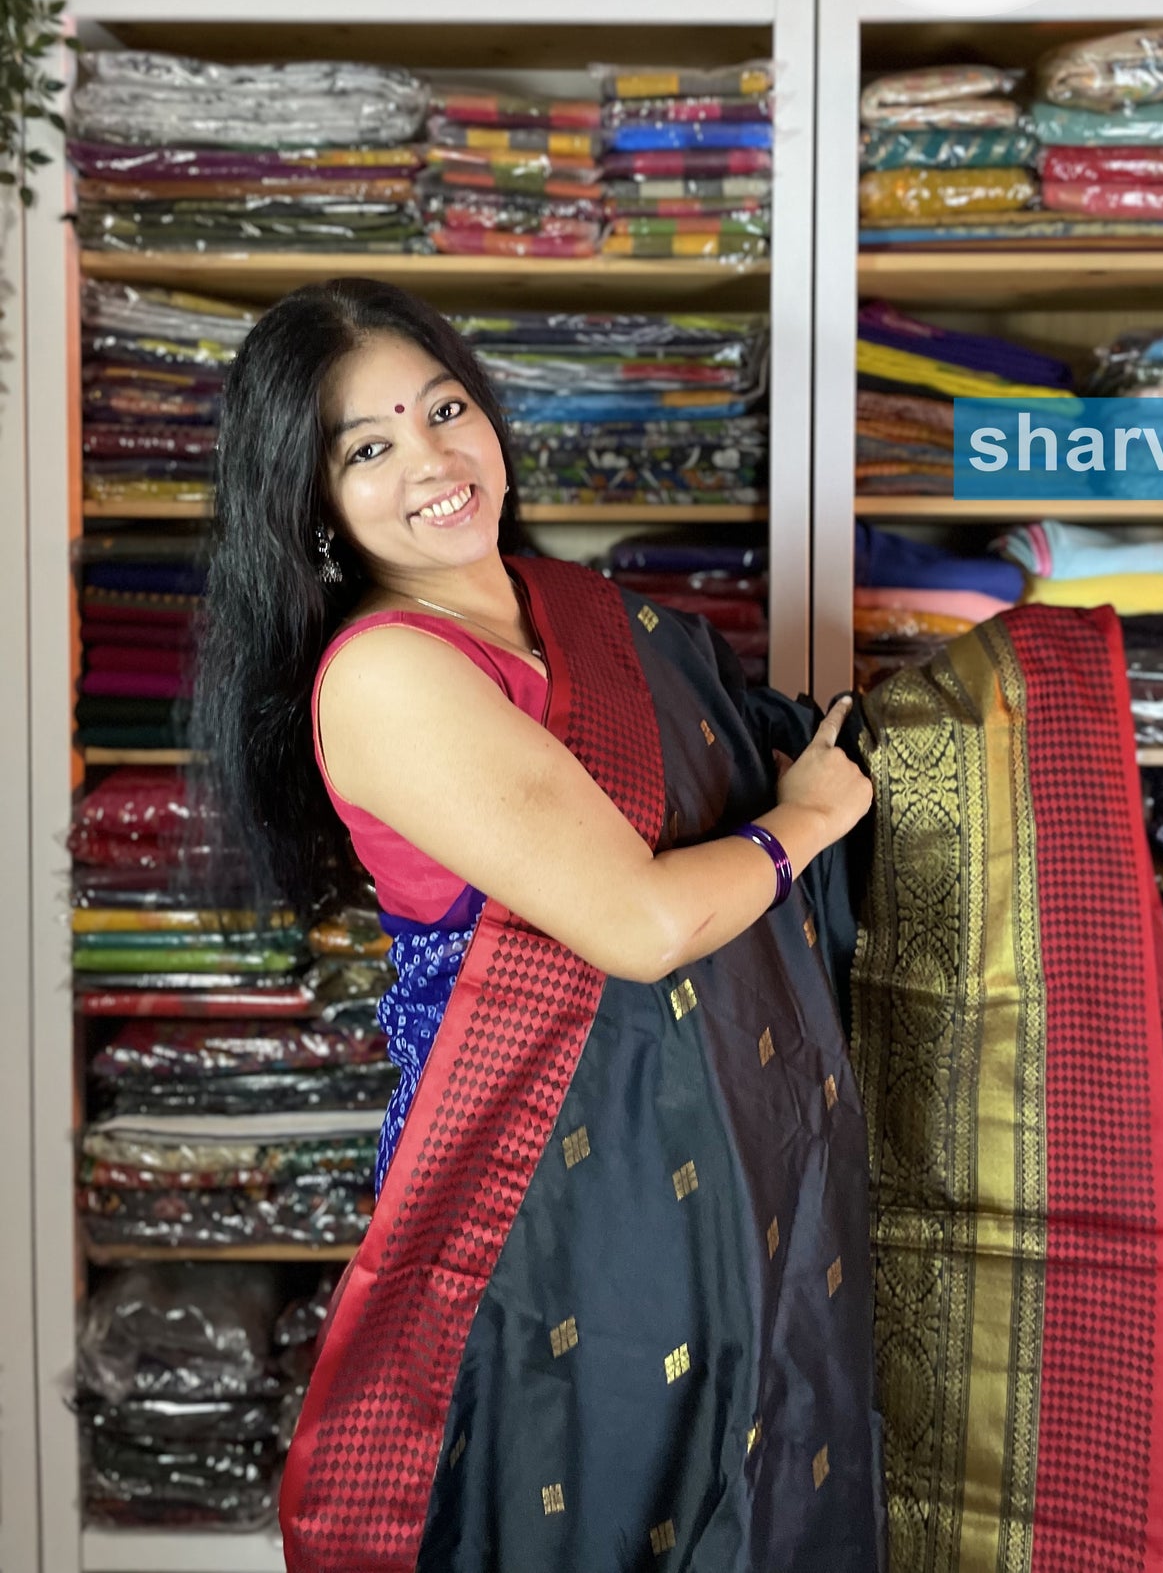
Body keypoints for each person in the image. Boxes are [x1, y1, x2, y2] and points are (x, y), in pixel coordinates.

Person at [192, 277, 886, 1573]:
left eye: (445, 408)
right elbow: (634, 923)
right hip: (553, 1190)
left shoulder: (561, 607)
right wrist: (808, 820)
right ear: (311, 501)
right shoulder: (394, 671)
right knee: (605, 1502)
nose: (435, 460)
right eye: (370, 445)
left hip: (698, 1151)